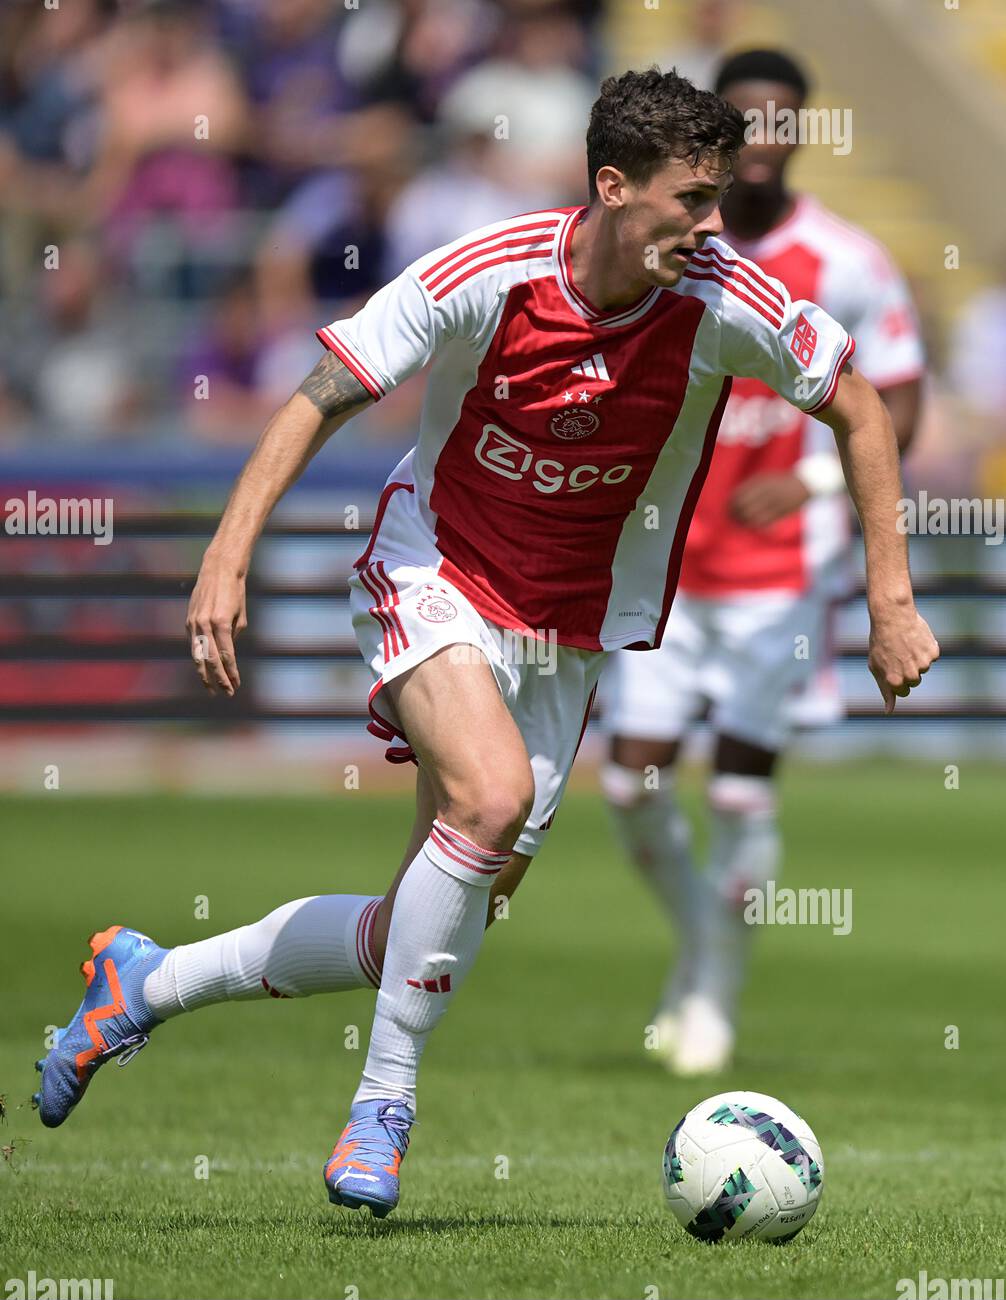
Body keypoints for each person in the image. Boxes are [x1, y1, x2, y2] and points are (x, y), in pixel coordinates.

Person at [33, 68, 938, 1219]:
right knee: (489, 795)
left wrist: (890, 596)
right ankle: (385, 1102)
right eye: (689, 199)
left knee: (423, 921)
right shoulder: (488, 270)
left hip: (567, 630)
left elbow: (859, 403)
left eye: (716, 200)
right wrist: (224, 557)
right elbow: (322, 391)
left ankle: (145, 983)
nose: (710, 224)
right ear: (612, 186)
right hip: (436, 568)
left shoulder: (722, 297)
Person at [601, 50, 926, 1077]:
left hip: (782, 571)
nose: (765, 137)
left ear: (801, 132)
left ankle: (713, 986)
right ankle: (703, 932)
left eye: (783, 119)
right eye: (746, 119)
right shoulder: (660, 248)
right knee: (629, 783)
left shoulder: (845, 259)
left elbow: (897, 401)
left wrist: (819, 486)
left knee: (740, 792)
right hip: (663, 561)